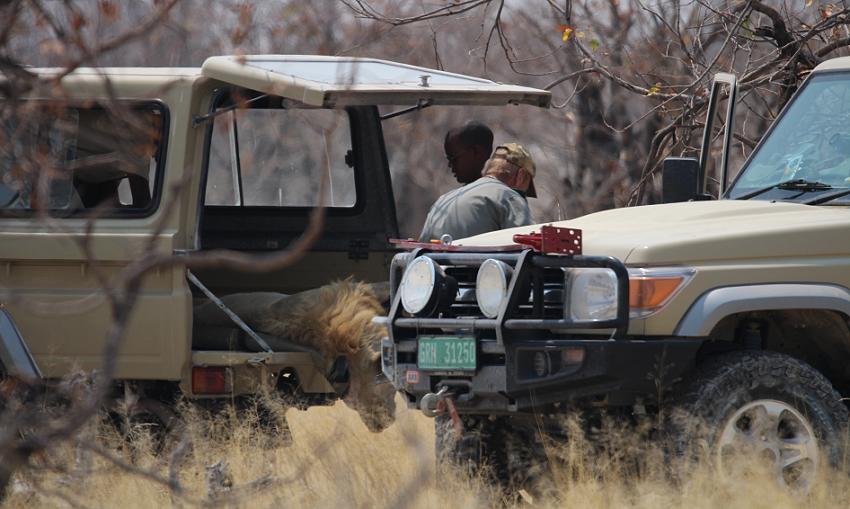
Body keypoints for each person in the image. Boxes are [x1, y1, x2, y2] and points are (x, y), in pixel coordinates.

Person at [418, 143, 536, 242]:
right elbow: (528, 247)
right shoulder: (509, 197)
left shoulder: (443, 200)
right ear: (521, 175)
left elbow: (421, 247)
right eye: (527, 186)